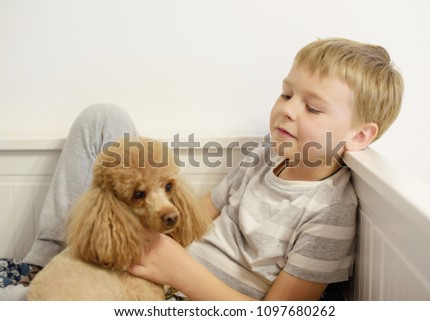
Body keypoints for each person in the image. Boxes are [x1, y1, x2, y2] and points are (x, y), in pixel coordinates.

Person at [0, 37, 403, 301]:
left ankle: (39, 292)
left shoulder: (329, 214)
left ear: (359, 136)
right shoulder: (268, 151)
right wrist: (153, 222)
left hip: (182, 294)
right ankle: (43, 263)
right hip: (164, 259)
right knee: (103, 118)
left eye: (312, 107)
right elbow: (202, 210)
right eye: (286, 93)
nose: (288, 109)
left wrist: (178, 270)